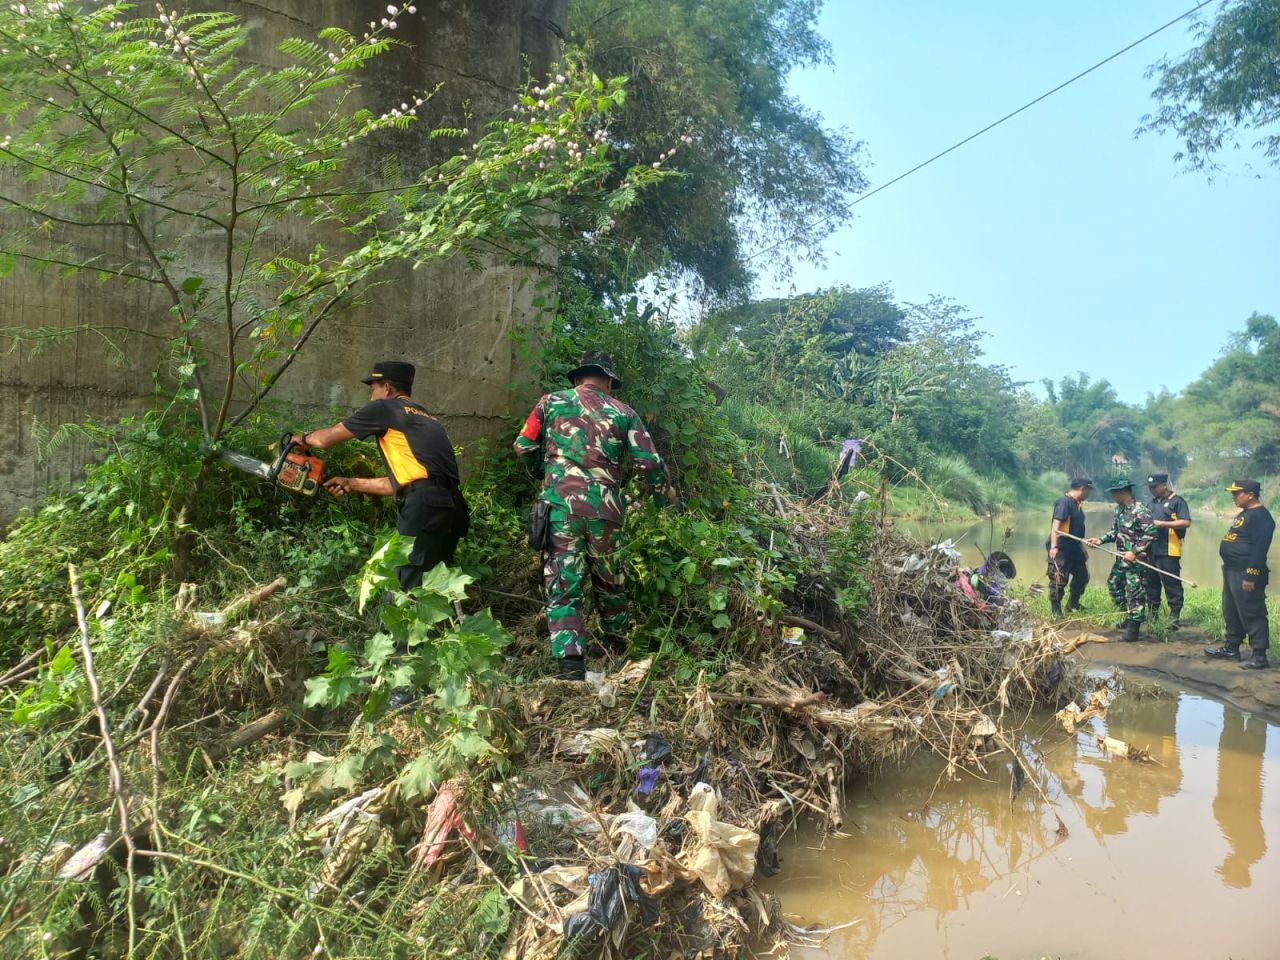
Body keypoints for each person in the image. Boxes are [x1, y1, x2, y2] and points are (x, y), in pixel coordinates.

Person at [514, 350, 675, 680]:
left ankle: (571, 667)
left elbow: (523, 445)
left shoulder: (550, 402)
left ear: (578, 378)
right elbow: (650, 464)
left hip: (559, 510)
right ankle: (618, 648)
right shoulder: (624, 412)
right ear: (609, 382)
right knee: (610, 582)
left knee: (562, 584)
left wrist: (542, 476)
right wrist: (660, 499)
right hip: (606, 513)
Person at [291, 360, 470, 592]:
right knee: (436, 587)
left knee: (401, 588)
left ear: (387, 388)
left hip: (425, 508)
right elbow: (408, 482)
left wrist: (303, 439)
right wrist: (351, 483)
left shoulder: (384, 409)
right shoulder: (426, 417)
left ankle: (393, 630)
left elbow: (325, 439)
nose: (372, 396)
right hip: (453, 508)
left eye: (373, 388)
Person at [1206, 480, 1275, 669]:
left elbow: (1260, 549)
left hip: (1246, 573)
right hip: (1231, 570)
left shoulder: (1261, 517)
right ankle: (1231, 648)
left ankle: (1259, 656)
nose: (1234, 497)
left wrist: (1251, 575)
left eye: (1237, 494)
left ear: (1250, 494)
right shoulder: (1245, 514)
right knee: (1232, 611)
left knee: (1252, 612)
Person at [1085, 477, 1157, 642]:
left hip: (1137, 561)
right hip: (1121, 559)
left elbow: (1151, 533)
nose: (1112, 496)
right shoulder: (1119, 510)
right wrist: (1100, 540)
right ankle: (1128, 615)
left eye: (1114, 493)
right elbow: (1115, 532)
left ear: (1123, 492)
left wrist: (1135, 551)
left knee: (1135, 593)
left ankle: (1134, 629)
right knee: (1114, 584)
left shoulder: (1141, 510)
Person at [1144, 473, 1192, 628]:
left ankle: (1174, 617)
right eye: (1150, 487)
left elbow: (1186, 522)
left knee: (1171, 583)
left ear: (1164, 485)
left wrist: (1163, 524)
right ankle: (1152, 614)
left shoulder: (1177, 501)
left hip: (1169, 549)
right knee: (1151, 583)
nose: (1152, 490)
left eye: (1155, 487)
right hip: (1150, 549)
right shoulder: (1150, 504)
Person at [1046, 477, 1093, 617]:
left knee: (1082, 575)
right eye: (1089, 491)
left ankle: (1073, 603)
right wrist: (1054, 547)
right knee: (1059, 578)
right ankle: (1056, 610)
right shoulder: (1064, 502)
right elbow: (1056, 526)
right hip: (1062, 547)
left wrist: (1082, 547)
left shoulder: (1076, 503)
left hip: (1074, 547)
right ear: (1082, 489)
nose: (1089, 494)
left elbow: (1075, 528)